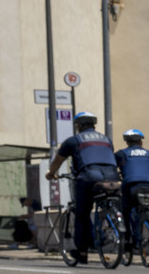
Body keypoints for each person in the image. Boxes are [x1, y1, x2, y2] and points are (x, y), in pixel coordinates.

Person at [46, 112, 121, 264]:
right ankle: (111, 225)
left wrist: (50, 173)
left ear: (78, 126)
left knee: (82, 213)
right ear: (94, 125)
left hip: (89, 177)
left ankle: (82, 252)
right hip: (112, 177)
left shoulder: (74, 141)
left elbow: (58, 161)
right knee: (107, 202)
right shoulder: (107, 140)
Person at [114, 129, 149, 246]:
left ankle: (128, 239)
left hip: (131, 186)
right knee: (145, 206)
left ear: (127, 142)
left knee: (126, 209)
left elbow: (112, 168)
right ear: (141, 142)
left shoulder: (121, 154)